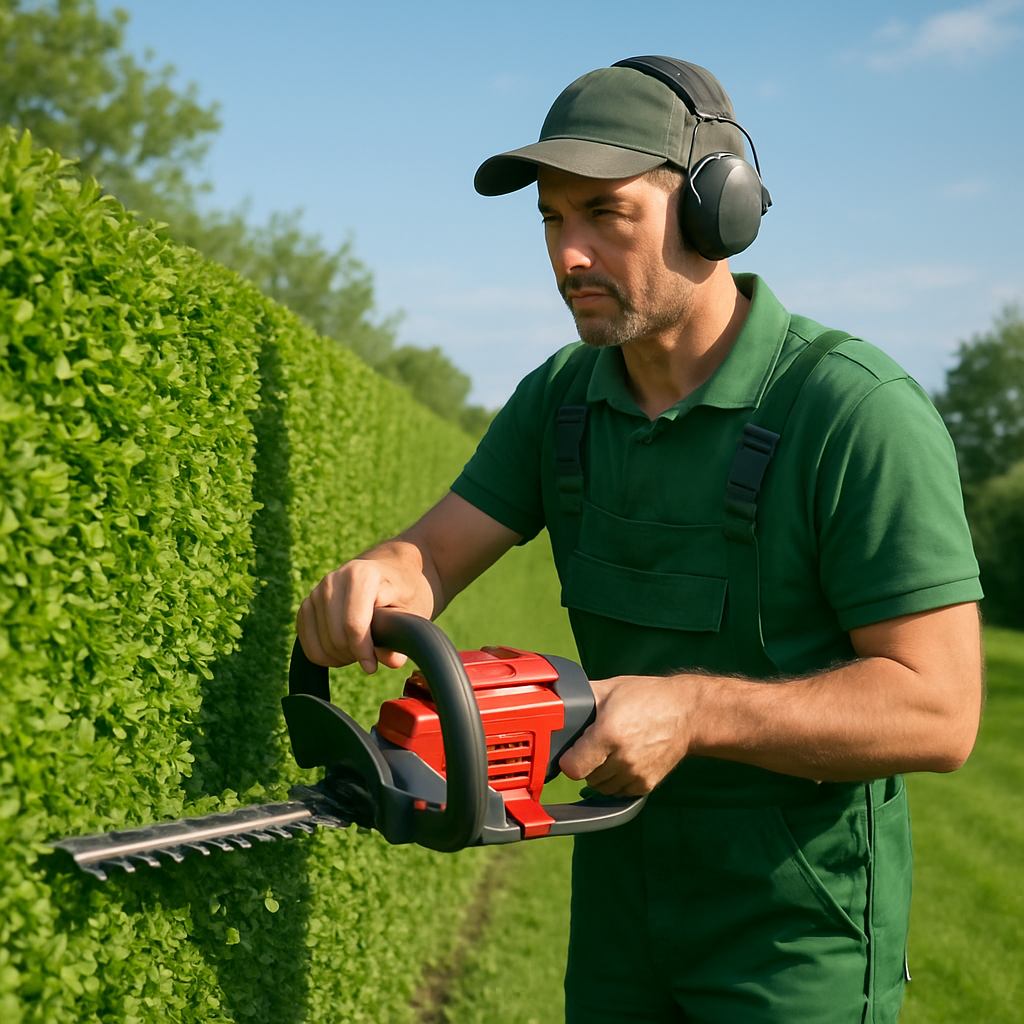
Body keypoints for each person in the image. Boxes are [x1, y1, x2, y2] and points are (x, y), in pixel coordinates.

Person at [297, 57, 984, 1024]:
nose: (566, 254)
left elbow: (940, 711)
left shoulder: (853, 412)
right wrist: (383, 574)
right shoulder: (561, 401)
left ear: (717, 209)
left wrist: (693, 710)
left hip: (796, 929)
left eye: (604, 214)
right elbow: (435, 554)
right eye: (550, 218)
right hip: (619, 892)